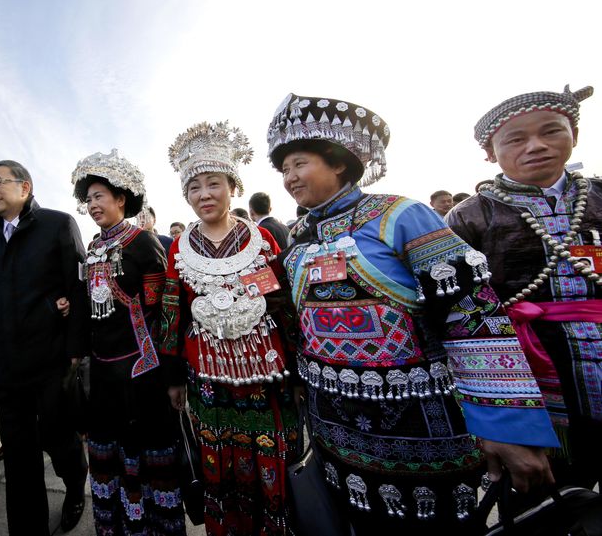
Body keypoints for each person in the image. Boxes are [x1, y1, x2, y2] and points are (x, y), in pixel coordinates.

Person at [266, 94, 558, 535]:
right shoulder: (300, 239)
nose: (290, 178)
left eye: (300, 164)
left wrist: (507, 424)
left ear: (340, 163)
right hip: (333, 428)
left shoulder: (400, 214)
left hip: (420, 431)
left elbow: (471, 313)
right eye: (284, 169)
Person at [448, 84, 601, 490]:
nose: (535, 146)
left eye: (551, 131)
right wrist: (501, 417)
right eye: (516, 139)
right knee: (549, 499)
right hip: (527, 374)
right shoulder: (471, 216)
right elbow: (463, 317)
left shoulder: (599, 197)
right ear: (490, 152)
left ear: (575, 137)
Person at [160, 121, 298, 535]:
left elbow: (282, 305)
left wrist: (295, 366)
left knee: (271, 462)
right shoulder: (178, 250)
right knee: (217, 462)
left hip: (265, 375)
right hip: (206, 377)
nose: (204, 194)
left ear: (233, 187)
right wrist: (173, 376)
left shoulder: (261, 241)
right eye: (195, 187)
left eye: (214, 183)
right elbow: (172, 315)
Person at [0, 160, 88, 534]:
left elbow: (78, 288)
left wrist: (74, 346)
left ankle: (74, 488)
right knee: (19, 454)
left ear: (25, 187)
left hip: (52, 358)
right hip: (6, 365)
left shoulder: (57, 223)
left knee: (59, 438)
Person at [71, 149, 185, 535]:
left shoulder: (144, 243)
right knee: (108, 454)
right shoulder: (92, 247)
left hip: (141, 371)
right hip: (102, 370)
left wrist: (168, 373)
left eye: (99, 196)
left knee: (147, 454)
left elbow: (162, 314)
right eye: (88, 199)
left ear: (122, 199)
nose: (92, 205)